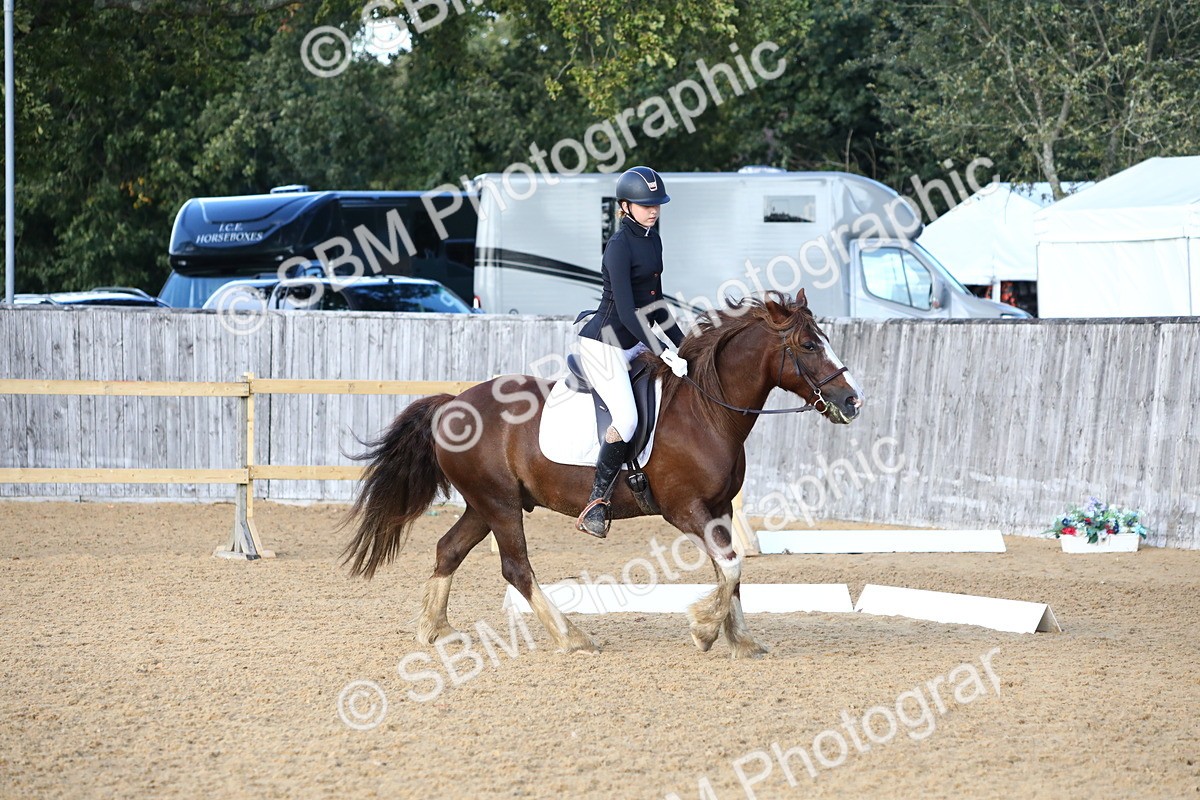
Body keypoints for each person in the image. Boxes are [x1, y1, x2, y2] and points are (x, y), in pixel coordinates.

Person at [573, 166, 689, 537]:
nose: (653, 210)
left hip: (634, 340)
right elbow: (626, 311)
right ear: (625, 207)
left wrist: (683, 346)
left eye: (656, 203)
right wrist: (660, 348)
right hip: (604, 343)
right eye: (644, 205)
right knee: (626, 420)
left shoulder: (653, 240)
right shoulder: (618, 248)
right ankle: (596, 501)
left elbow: (655, 304)